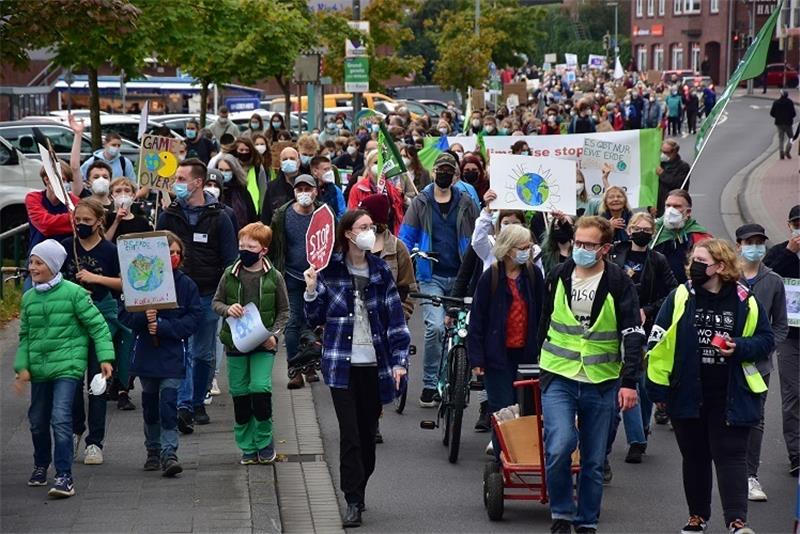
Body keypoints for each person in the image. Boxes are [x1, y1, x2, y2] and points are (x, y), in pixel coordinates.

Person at [646, 239, 773, 534]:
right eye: (694, 261)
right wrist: (658, 389)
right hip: (687, 391)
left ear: (721, 266)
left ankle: (737, 521)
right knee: (695, 457)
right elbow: (658, 340)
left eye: (702, 261)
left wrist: (738, 346)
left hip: (730, 392)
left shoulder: (745, 299)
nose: (695, 267)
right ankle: (697, 517)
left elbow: (766, 340)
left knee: (731, 456)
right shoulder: (681, 296)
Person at [303, 209, 411, 528]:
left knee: (366, 436)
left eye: (372, 227)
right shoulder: (329, 270)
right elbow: (314, 317)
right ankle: (352, 500)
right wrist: (311, 289)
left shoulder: (379, 270)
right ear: (348, 233)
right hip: (340, 365)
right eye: (363, 227)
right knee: (349, 435)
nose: (369, 232)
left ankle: (359, 489)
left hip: (373, 366)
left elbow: (395, 321)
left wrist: (400, 361)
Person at [537, 216, 645, 534]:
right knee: (559, 446)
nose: (580, 249)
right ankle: (561, 513)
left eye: (588, 245)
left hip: (602, 380)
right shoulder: (558, 274)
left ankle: (586, 522)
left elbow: (632, 332)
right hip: (559, 375)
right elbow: (544, 320)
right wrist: (535, 360)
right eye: (577, 243)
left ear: (605, 248)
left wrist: (629, 382)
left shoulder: (618, 281)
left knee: (594, 461)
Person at [15, 239, 114, 498]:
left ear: (54, 265)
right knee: (37, 421)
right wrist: (22, 367)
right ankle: (40, 464)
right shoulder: (28, 298)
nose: (32, 267)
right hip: (39, 369)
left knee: (60, 418)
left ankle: (64, 476)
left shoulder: (74, 293)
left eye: (39, 263)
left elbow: (98, 326)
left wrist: (105, 357)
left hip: (68, 368)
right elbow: (25, 336)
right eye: (31, 262)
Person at [156, 158, 238, 432]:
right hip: (175, 294)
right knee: (184, 350)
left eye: (180, 179)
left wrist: (226, 294)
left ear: (197, 182)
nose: (176, 184)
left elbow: (230, 259)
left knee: (203, 353)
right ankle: (185, 405)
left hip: (206, 293)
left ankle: (199, 398)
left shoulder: (220, 216)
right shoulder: (169, 215)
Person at [399, 152, 480, 407]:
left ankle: (451, 381)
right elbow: (406, 238)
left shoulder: (467, 203)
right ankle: (430, 384)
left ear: (455, 175)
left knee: (456, 332)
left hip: (460, 277)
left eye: (449, 170)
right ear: (433, 172)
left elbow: (479, 236)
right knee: (434, 328)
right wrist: (402, 263)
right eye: (440, 169)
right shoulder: (420, 203)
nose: (444, 173)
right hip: (430, 275)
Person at [119, 232, 202, 477]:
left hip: (172, 354)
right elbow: (125, 316)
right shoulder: (139, 281)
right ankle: (152, 450)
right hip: (147, 354)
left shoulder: (186, 285)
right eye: (170, 252)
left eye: (178, 253)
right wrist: (144, 318)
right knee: (150, 404)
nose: (174, 257)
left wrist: (165, 327)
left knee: (168, 403)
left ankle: (169, 452)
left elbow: (193, 318)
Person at [61, 198, 131, 463]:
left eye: (87, 221)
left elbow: (125, 284)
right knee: (72, 377)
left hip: (102, 316)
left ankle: (95, 441)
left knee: (97, 379)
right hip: (71, 319)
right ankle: (76, 428)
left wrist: (95, 278)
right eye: (77, 221)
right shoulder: (67, 248)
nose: (81, 225)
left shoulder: (110, 251)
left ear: (99, 222)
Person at [213, 222, 290, 464]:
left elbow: (284, 311)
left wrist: (274, 335)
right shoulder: (229, 273)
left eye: (250, 246)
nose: (244, 250)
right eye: (241, 245)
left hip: (263, 344)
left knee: (260, 389)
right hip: (235, 344)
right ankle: (246, 446)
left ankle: (265, 442)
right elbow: (216, 302)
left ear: (263, 250)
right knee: (240, 393)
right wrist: (227, 309)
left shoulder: (274, 277)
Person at [606, 212, 678, 466]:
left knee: (646, 386)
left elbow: (672, 292)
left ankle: (642, 432)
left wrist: (647, 310)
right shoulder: (614, 254)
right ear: (629, 229)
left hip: (647, 327)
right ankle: (636, 440)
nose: (642, 232)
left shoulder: (657, 259)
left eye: (648, 229)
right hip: (618, 326)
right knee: (630, 379)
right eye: (638, 227)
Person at [468, 224, 544, 460]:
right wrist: (477, 359)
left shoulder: (533, 275)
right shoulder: (489, 277)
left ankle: (523, 456)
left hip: (527, 354)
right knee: (502, 409)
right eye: (522, 247)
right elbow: (477, 320)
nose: (527, 251)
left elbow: (543, 312)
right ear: (509, 249)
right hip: (497, 355)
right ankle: (502, 459)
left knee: (526, 408)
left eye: (529, 247)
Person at [734, 223, 789, 500]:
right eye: (749, 242)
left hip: (759, 363)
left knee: (755, 417)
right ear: (738, 246)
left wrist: (767, 347)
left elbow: (781, 324)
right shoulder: (728, 278)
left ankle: (749, 475)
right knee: (725, 414)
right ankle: (727, 470)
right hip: (729, 359)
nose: (755, 247)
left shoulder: (774, 281)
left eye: (759, 242)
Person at [268, 175, 323, 389]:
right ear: (294, 192)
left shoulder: (323, 214)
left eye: (308, 188)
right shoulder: (282, 215)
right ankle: (294, 369)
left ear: (315, 191)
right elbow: (275, 247)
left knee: (312, 323)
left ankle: (310, 365)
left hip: (317, 277)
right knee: (292, 323)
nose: (304, 193)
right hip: (290, 275)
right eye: (299, 188)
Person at [763, 204, 800, 476]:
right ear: (790, 226)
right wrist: (790, 252)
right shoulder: (779, 252)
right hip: (791, 336)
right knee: (793, 394)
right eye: (797, 224)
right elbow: (766, 277)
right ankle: (797, 453)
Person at [358, 194, 417, 319]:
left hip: (388, 323)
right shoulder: (355, 244)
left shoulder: (398, 248)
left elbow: (408, 289)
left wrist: (398, 317)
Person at [653, 189, 712, 283]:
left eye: (677, 206)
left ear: (688, 212)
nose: (671, 210)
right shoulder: (654, 232)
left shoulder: (700, 236)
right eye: (668, 205)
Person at [347, 150, 405, 234]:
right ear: (368, 165)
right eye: (376, 162)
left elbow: (398, 216)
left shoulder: (391, 188)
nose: (379, 165)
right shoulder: (358, 189)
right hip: (366, 234)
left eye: (382, 163)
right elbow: (352, 214)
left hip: (389, 235)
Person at [209, 153, 258, 228]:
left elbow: (251, 216)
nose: (224, 173)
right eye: (221, 170)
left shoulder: (241, 190)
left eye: (227, 170)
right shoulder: (212, 190)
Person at [261, 147, 301, 226]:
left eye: (292, 159)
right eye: (285, 159)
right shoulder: (272, 187)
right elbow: (266, 217)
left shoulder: (307, 185)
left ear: (298, 162)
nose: (288, 161)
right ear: (280, 163)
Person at [104, 178, 152, 243]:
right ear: (111, 196)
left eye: (127, 191)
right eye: (118, 191)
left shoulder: (142, 222)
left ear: (133, 195)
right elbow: (104, 243)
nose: (123, 194)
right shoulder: (106, 218)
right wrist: (116, 221)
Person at [655, 139, 690, 217]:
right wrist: (650, 206)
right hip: (658, 208)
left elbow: (678, 185)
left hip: (675, 207)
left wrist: (662, 174)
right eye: (661, 151)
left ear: (674, 152)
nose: (663, 154)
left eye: (666, 152)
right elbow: (651, 188)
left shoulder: (683, 166)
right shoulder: (658, 164)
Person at [310, 155, 346, 219]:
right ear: (315, 171)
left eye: (330, 169)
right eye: (325, 169)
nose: (329, 172)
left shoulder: (336, 190)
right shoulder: (309, 190)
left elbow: (342, 213)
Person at [770, 89, 796, 160]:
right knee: (791, 138)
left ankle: (781, 152)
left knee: (781, 139)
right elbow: (794, 113)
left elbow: (772, 113)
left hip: (779, 123)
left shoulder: (776, 102)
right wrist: (790, 117)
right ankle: (787, 151)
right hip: (788, 123)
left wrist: (777, 116)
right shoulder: (790, 102)